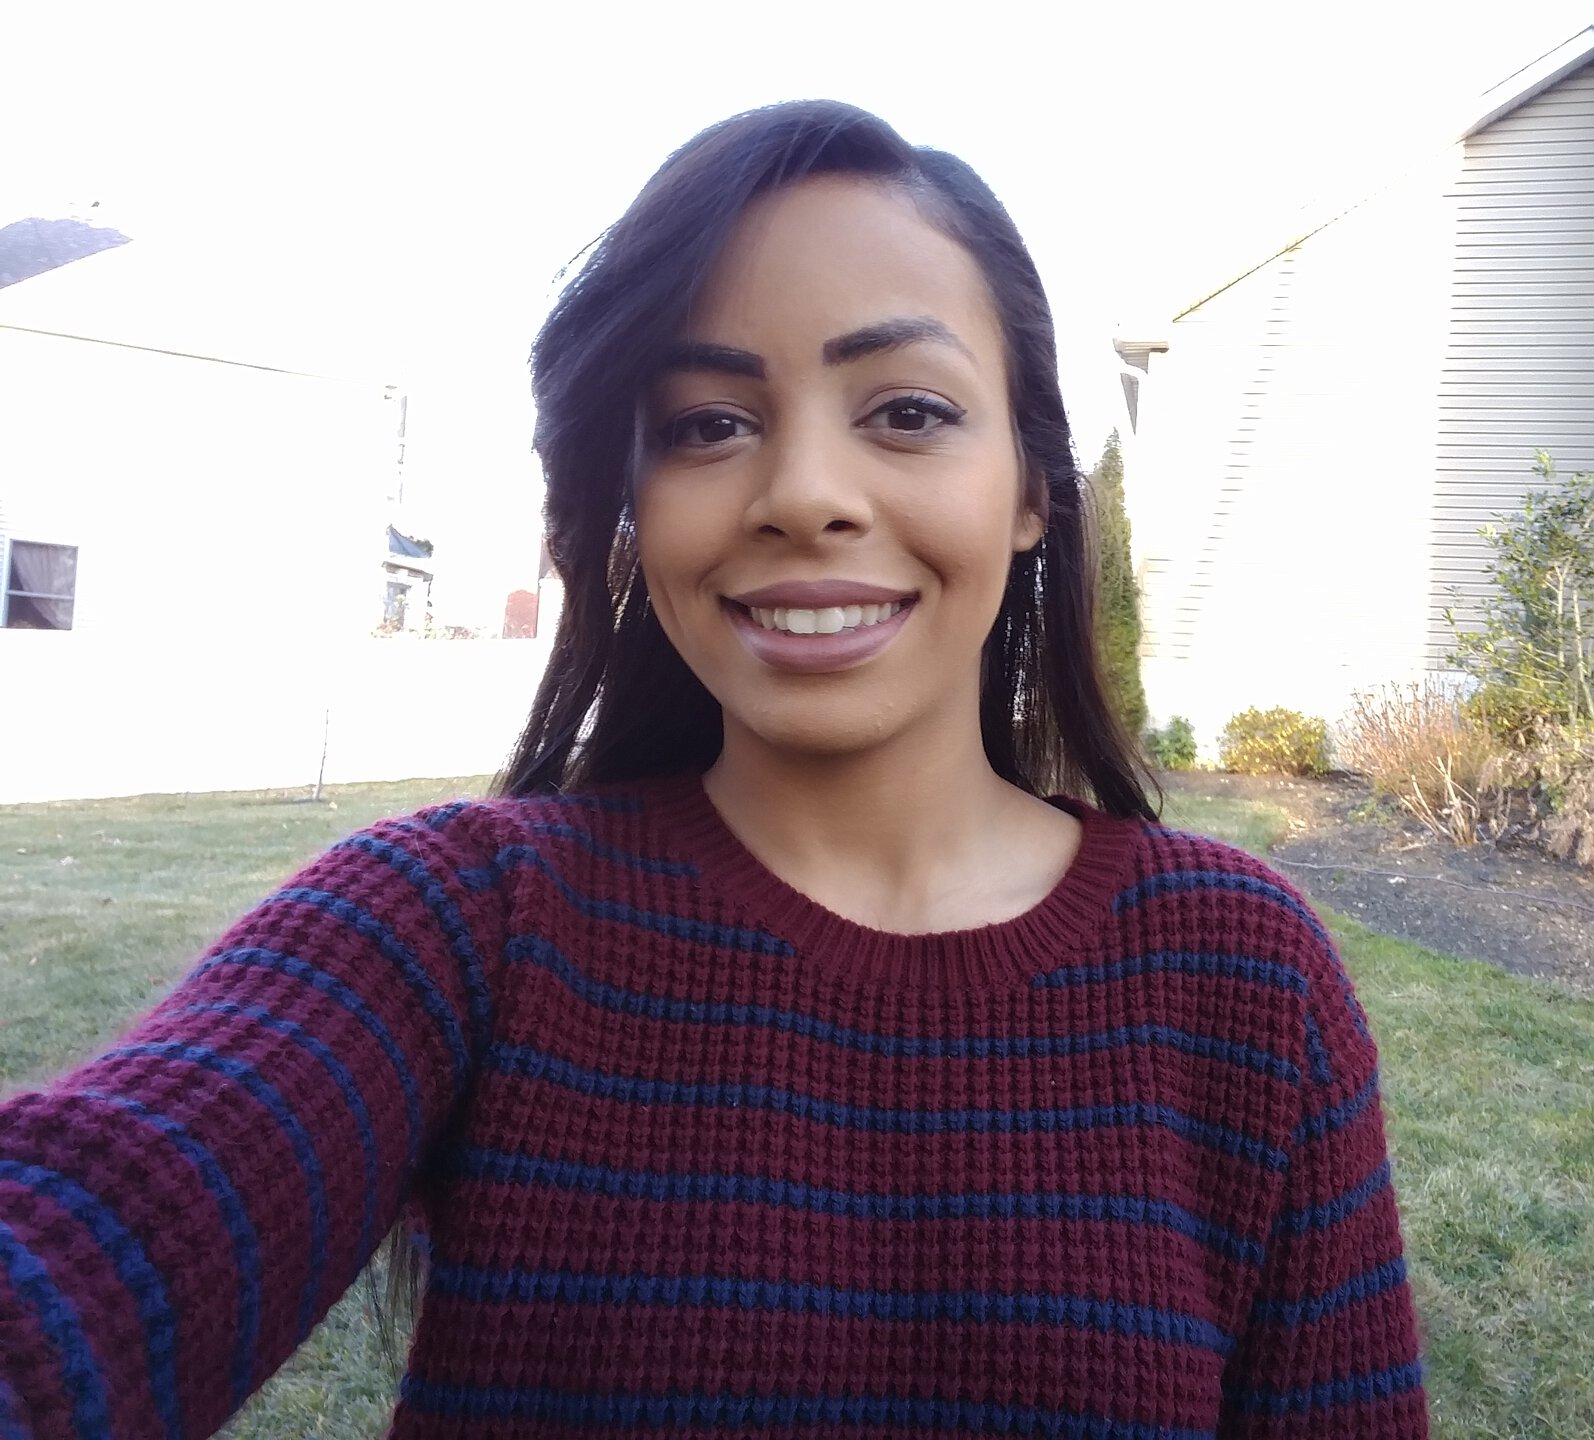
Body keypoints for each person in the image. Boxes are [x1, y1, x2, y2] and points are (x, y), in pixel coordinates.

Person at [0, 101, 1429, 1439]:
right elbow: (94, 1233)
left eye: (908, 410)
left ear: (1033, 491)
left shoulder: (1245, 980)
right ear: (634, 506)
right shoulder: (470, 922)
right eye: (706, 425)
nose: (803, 493)